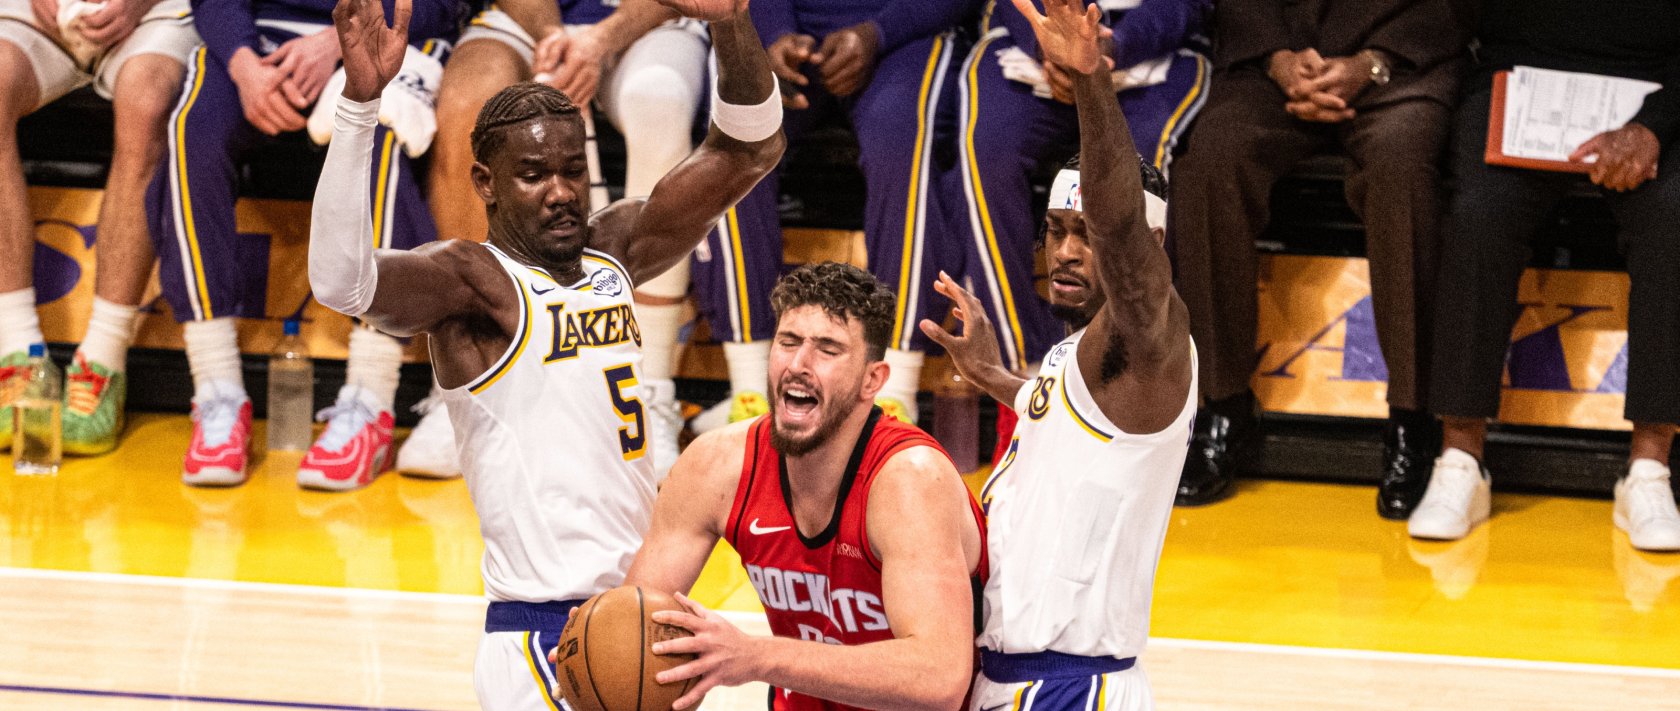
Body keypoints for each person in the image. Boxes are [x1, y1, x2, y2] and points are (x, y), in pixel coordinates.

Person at [308, 0, 782, 705]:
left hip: (646, 613)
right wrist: (359, 105)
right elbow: (341, 282)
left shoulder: (617, 249)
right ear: (486, 184)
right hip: (541, 631)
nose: (560, 191)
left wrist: (731, 21)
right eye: (533, 173)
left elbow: (748, 150)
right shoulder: (471, 284)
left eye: (570, 169)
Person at [921, 0, 1193, 706]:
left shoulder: (1154, 341)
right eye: (1054, 230)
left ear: (1148, 250)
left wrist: (1091, 80)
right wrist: (994, 376)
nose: (1067, 251)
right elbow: (1070, 421)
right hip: (1001, 679)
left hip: (1073, 687)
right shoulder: (1074, 359)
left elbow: (1122, 225)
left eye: (1086, 233)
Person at [615, 261, 986, 711]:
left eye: (827, 349)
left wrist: (757, 655)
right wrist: (601, 647)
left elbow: (939, 678)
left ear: (873, 380)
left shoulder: (910, 480)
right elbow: (633, 624)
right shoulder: (716, 465)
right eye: (787, 342)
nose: (798, 364)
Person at [1167, 0, 1469, 510]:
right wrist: (1274, 57)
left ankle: (1413, 418)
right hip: (1274, 70)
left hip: (1401, 68)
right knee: (1210, 166)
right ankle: (1223, 403)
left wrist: (1371, 63)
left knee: (1402, 174)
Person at [147, 0, 458, 488]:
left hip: (389, 37)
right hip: (262, 40)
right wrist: (243, 62)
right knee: (192, 128)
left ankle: (370, 400)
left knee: (385, 132)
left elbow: (442, 5)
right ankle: (216, 389)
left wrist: (341, 42)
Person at [1411, 0, 1680, 551]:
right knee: (1479, 214)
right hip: (1520, 83)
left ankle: (1649, 468)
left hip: (1655, 95)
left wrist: (1655, 126)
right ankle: (1461, 456)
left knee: (1674, 217)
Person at [416, 0, 714, 479]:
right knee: (469, 106)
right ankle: (463, 383)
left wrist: (601, 39)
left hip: (652, 18)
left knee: (657, 99)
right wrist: (554, 35)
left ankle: (649, 386)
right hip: (527, 19)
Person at [687, 0, 975, 435]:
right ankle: (750, 389)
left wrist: (877, 33)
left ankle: (897, 389)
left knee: (900, 137)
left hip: (906, 32)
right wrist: (773, 31)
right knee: (734, 132)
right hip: (786, 28)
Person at [939, 0, 1208, 378]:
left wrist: (1109, 48)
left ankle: (1127, 368)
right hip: (1029, 46)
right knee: (986, 150)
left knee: (1141, 181)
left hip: (1151, 47)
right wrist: (1049, 45)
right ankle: (1021, 368)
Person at [0, 0, 199, 454]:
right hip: (37, 12)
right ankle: (17, 351)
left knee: (146, 101)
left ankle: (103, 360)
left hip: (158, 10)